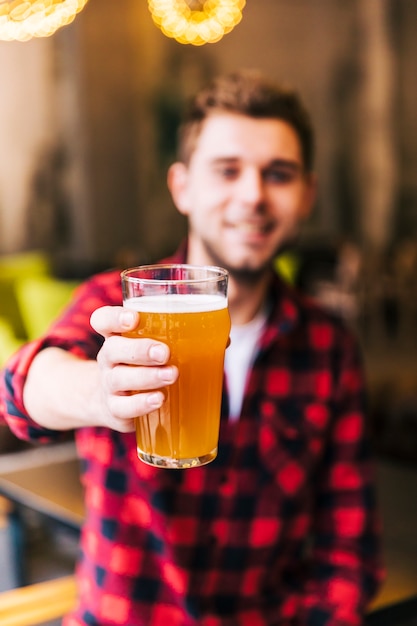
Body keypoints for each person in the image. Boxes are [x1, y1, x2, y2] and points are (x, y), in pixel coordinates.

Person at [0, 70, 383, 625]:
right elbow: (20, 388)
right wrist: (99, 394)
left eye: (278, 174)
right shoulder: (118, 303)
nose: (252, 195)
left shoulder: (329, 346)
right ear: (182, 187)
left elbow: (348, 549)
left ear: (307, 196)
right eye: (227, 171)